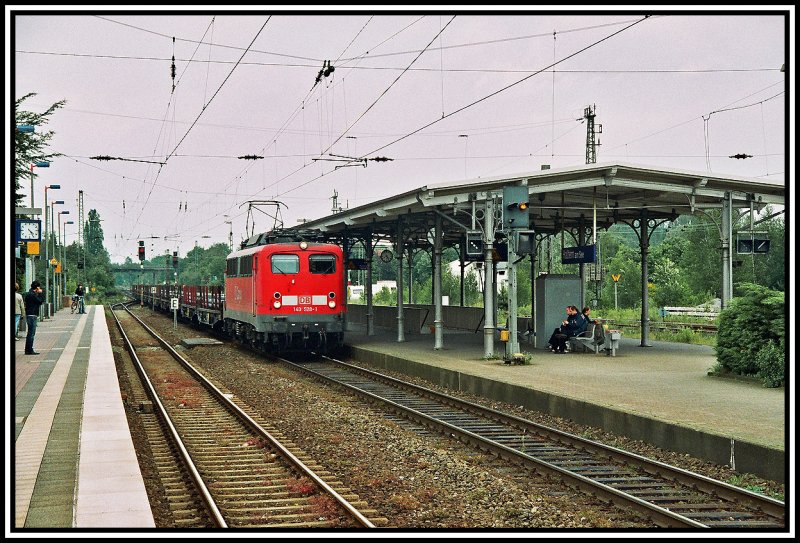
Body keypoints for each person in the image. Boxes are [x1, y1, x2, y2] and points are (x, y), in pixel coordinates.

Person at [24, 281, 46, 355]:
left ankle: (27, 349)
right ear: (37, 288)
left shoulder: (28, 294)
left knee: (29, 333)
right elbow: (40, 301)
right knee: (31, 333)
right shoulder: (33, 295)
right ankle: (29, 350)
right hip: (32, 315)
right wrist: (40, 293)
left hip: (28, 314)